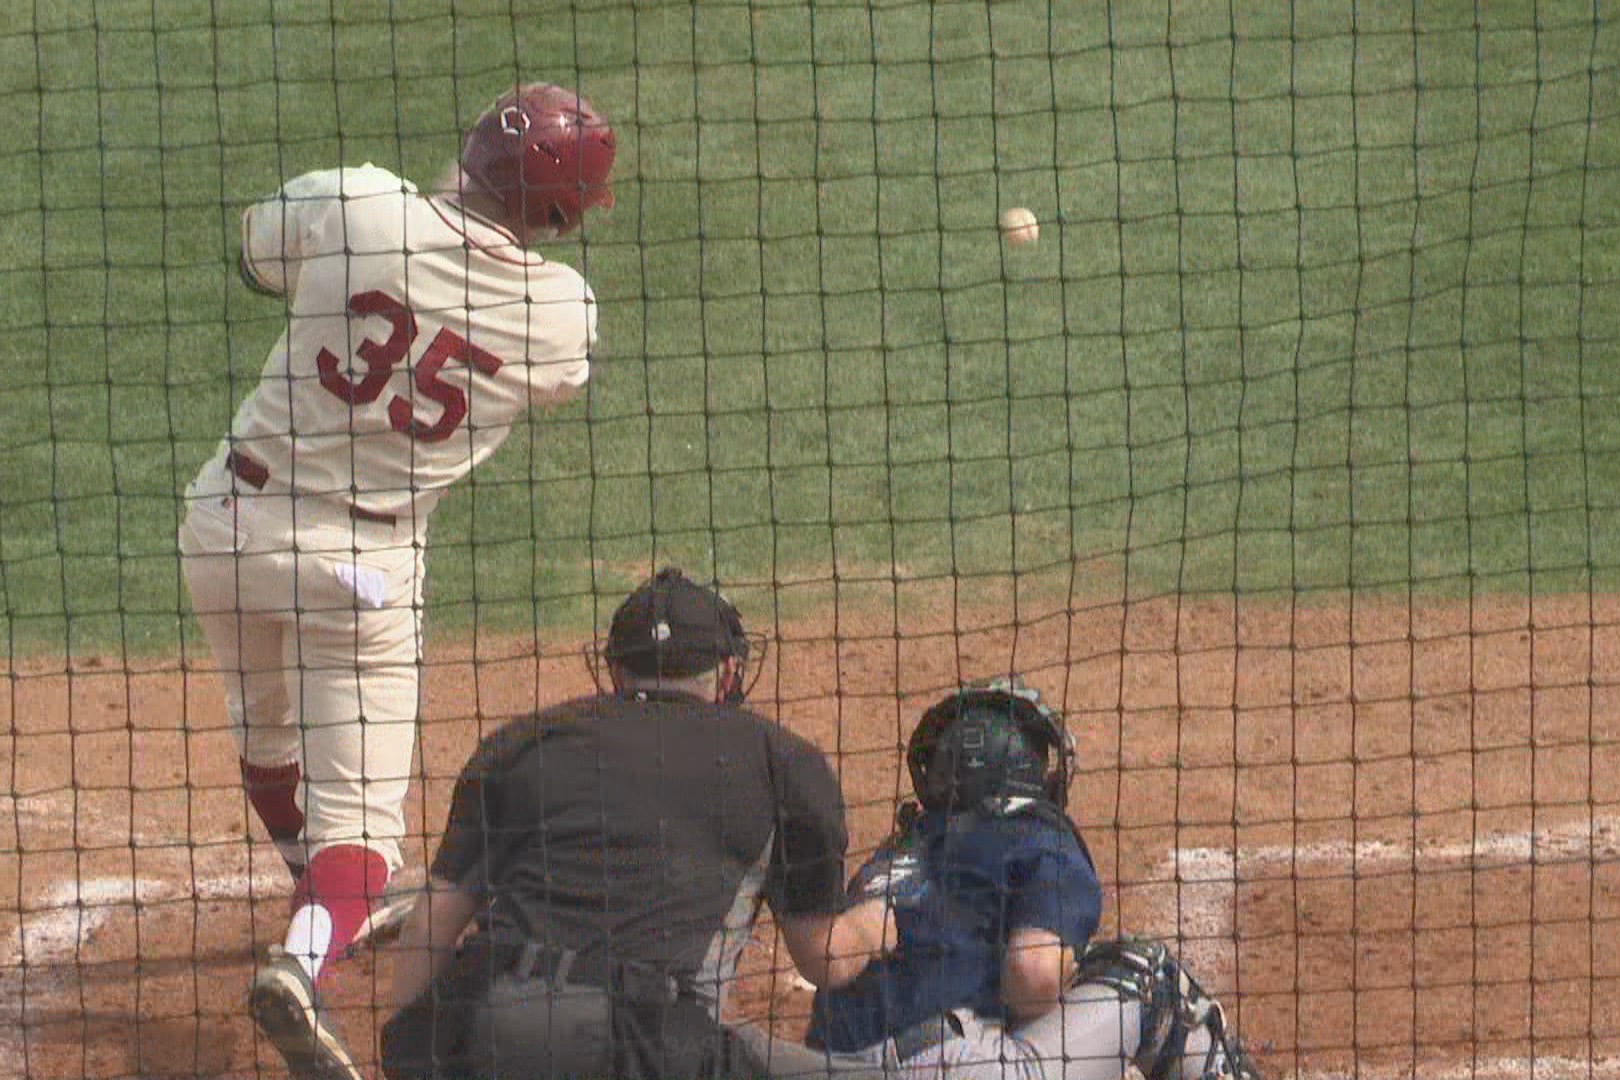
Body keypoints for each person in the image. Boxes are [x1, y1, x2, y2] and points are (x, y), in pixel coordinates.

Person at [176, 82, 615, 1080]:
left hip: (228, 527)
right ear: (559, 214)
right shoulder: (557, 316)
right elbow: (554, 370)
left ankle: (317, 892)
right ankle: (307, 954)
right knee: (365, 831)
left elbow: (252, 256)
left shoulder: (361, 202)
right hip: (359, 575)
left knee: (265, 729)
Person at [378, 568, 886, 1080]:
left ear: (616, 671)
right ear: (729, 672)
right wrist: (880, 922)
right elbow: (825, 960)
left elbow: (429, 924)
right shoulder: (782, 761)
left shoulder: (523, 743)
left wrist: (407, 1056)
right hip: (646, 1041)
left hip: (487, 1015)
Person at [732, 676, 1264, 1080]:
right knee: (1148, 978)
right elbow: (1032, 978)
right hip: (956, 1068)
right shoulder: (1036, 834)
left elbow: (838, 962)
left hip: (840, 1069)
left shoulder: (896, 854)